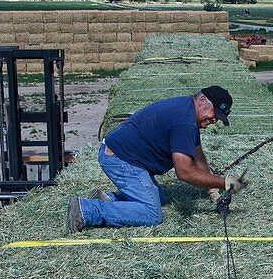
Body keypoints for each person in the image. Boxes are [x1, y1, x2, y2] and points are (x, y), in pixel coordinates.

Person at [66, 85, 247, 232]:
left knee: (158, 197)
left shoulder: (186, 111)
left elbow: (198, 156)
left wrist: (212, 187)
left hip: (129, 157)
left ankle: (108, 199)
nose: (214, 120)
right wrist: (224, 183)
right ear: (201, 101)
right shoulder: (184, 121)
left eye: (218, 118)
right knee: (151, 213)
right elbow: (183, 172)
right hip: (120, 159)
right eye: (214, 114)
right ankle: (86, 210)